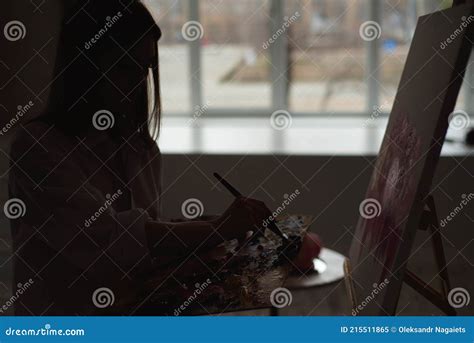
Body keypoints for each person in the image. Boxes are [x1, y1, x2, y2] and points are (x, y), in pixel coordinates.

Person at [8, 0, 319, 315]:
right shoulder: (38, 148)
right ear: (84, 65)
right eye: (123, 68)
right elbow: (109, 243)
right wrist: (215, 229)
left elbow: (142, 243)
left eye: (142, 70)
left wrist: (205, 227)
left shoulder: (138, 147)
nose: (136, 86)